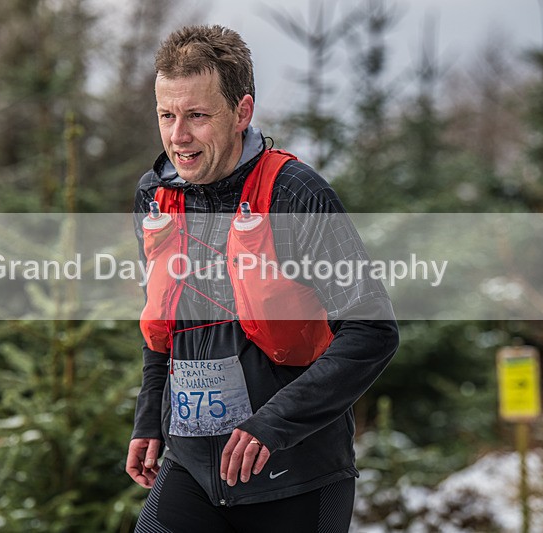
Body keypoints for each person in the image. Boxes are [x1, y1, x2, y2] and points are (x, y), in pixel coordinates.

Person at [126, 24, 398, 533]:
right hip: (192, 470)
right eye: (167, 115)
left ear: (242, 112)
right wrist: (148, 417)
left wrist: (273, 426)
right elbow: (160, 325)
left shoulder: (296, 193)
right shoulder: (155, 198)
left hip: (296, 476)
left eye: (197, 116)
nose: (177, 136)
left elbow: (373, 330)